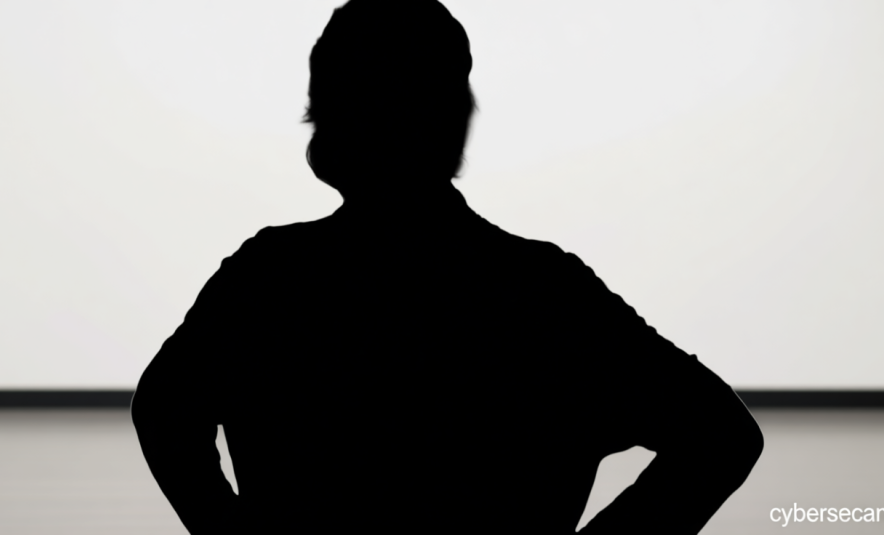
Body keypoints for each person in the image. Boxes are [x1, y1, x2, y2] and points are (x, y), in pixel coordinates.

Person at [131, 1, 764, 533]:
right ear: (454, 116)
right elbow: (721, 437)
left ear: (327, 120)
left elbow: (163, 413)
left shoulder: (266, 280)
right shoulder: (545, 292)